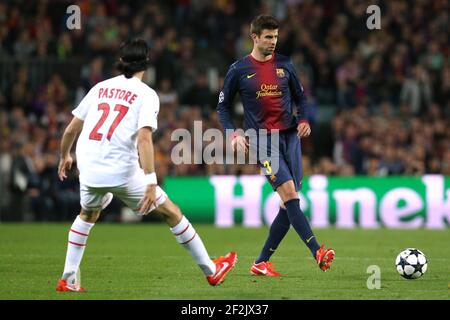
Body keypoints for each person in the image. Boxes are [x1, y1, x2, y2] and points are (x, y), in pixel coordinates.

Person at [56, 39, 237, 292]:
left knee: (87, 215)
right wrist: (151, 182)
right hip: (122, 171)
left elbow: (71, 128)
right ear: (146, 65)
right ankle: (211, 269)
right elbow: (143, 138)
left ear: (120, 63)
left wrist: (65, 155)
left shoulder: (99, 88)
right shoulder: (146, 94)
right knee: (171, 212)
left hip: (88, 169)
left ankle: (68, 278)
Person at [217, 15, 334, 276]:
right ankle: (317, 250)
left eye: (276, 37)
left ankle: (260, 262)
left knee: (287, 203)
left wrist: (303, 119)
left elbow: (301, 99)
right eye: (268, 37)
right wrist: (233, 134)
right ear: (254, 37)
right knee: (291, 195)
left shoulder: (285, 64)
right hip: (261, 140)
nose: (273, 42)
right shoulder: (238, 69)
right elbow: (222, 107)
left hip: (290, 136)